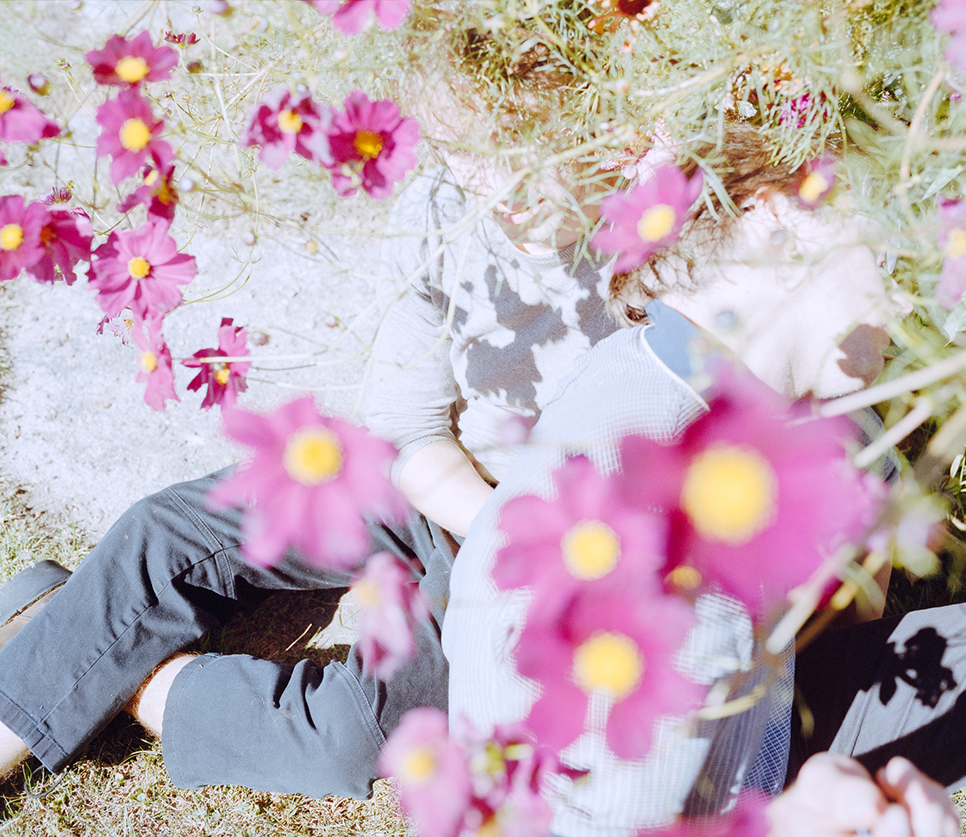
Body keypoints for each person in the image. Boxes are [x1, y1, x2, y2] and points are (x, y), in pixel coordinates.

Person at [0, 27, 642, 796]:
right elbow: (413, 429)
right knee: (170, 530)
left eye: (519, 155)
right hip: (448, 487)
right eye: (465, 159)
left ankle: (122, 670)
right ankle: (28, 700)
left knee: (351, 736)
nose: (497, 195)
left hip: (558, 550)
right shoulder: (444, 210)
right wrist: (482, 506)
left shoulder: (663, 235)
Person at [441, 153, 966, 835]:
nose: (910, 299)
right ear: (776, 207)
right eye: (890, 251)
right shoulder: (675, 564)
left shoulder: (648, 371)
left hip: (744, 728)